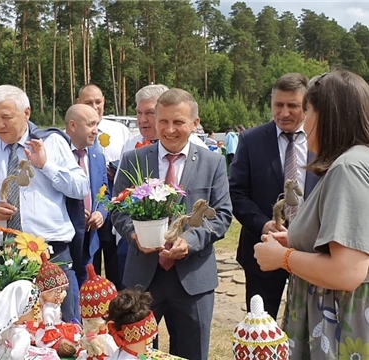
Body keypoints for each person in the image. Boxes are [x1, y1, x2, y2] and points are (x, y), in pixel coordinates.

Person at [254, 70, 369, 358]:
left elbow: (348, 271)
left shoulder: (348, 168)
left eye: (307, 110)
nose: (303, 122)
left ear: (327, 116)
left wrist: (282, 258)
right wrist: (294, 239)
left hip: (339, 326)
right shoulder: (358, 159)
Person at [111, 88, 232, 359]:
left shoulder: (213, 163)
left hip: (193, 279)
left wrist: (188, 242)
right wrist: (134, 236)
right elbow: (117, 210)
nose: (169, 129)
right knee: (135, 353)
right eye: (163, 121)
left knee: (192, 353)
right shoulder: (133, 160)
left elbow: (222, 216)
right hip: (143, 278)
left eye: (178, 122)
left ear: (195, 124)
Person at [0, 85, 89, 322]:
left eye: (6, 117)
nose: (0, 124)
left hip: (50, 251)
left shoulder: (51, 142)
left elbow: (81, 187)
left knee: (61, 328)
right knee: (13, 328)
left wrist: (46, 166)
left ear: (27, 113)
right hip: (4, 253)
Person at [229, 73, 320, 319]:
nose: (284, 112)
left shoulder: (321, 140)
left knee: (309, 322)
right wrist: (263, 224)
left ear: (307, 106)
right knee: (261, 325)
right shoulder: (251, 140)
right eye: (278, 105)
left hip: (313, 251)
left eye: (292, 105)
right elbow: (237, 192)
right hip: (264, 250)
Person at [77, 84, 132, 290]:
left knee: (114, 257)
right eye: (88, 102)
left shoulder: (120, 130)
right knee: (88, 261)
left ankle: (116, 303)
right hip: (86, 208)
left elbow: (130, 165)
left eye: (97, 102)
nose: (94, 106)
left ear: (104, 102)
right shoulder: (70, 133)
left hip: (114, 205)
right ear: (78, 103)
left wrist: (117, 173)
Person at [64, 104, 109, 287]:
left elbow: (104, 193)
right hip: (63, 241)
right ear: (73, 126)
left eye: (96, 124)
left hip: (90, 240)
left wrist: (101, 213)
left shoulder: (98, 156)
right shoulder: (56, 155)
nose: (96, 131)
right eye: (91, 124)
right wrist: (73, 211)